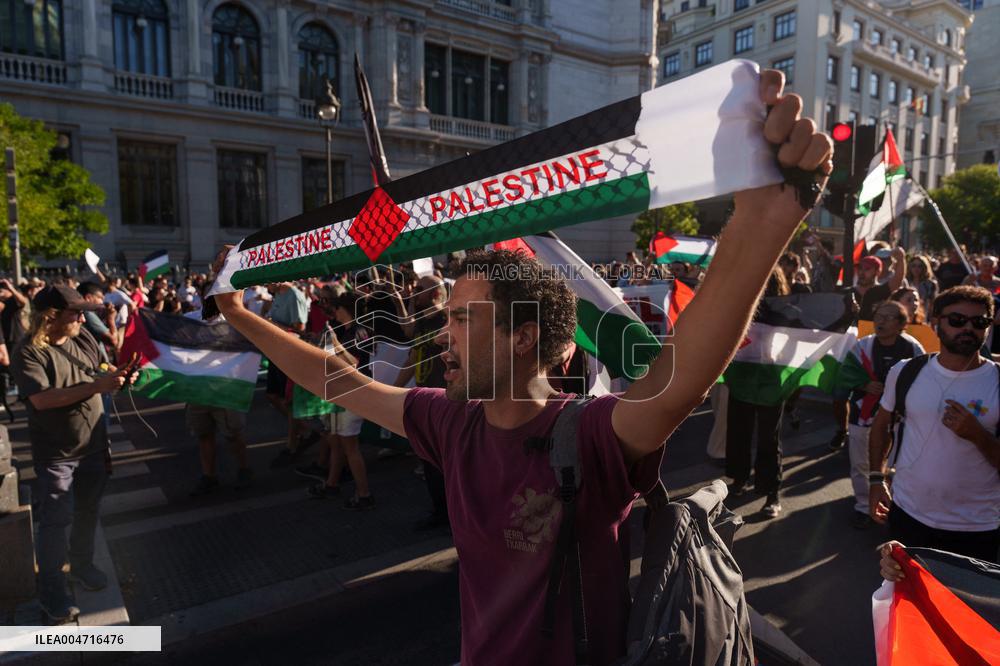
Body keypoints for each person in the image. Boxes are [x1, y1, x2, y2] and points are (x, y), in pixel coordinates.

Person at [212, 70, 833, 664]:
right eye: (447, 315)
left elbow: (676, 381)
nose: (443, 334)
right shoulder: (448, 420)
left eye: (463, 319)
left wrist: (763, 218)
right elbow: (335, 379)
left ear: (522, 338)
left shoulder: (589, 435)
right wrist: (237, 314)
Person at [10, 286, 138, 622]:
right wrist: (98, 387)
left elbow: (100, 370)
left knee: (87, 511)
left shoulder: (83, 339)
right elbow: (42, 399)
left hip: (93, 445)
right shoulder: (28, 352)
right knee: (55, 521)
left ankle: (81, 565)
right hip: (57, 453)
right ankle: (52, 590)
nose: (83, 317)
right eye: (75, 313)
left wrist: (120, 377)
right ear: (50, 317)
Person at [868, 286, 999, 563]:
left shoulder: (996, 381)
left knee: (962, 607)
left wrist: (978, 435)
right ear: (935, 322)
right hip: (908, 515)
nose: (968, 329)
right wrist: (876, 480)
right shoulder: (906, 371)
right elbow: (881, 426)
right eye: (957, 320)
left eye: (979, 322)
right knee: (907, 602)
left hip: (977, 527)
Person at [840, 301, 924, 530]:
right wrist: (864, 384)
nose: (881, 321)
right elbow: (845, 373)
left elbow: (923, 379)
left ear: (901, 324)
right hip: (863, 414)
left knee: (895, 463)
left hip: (898, 418)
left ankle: (893, 506)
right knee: (860, 462)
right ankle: (863, 507)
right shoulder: (862, 347)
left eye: (888, 317)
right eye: (878, 315)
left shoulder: (913, 349)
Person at [725, 267, 790, 518]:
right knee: (738, 432)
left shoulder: (783, 312)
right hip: (742, 377)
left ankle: (771, 492)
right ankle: (739, 480)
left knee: (768, 438)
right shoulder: (739, 307)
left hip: (771, 381)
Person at [306, 291, 375, 509]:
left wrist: (335, 343)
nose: (334, 312)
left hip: (353, 394)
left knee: (349, 446)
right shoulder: (349, 328)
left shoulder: (358, 330)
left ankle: (364, 494)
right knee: (336, 441)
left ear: (344, 309)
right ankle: (332, 483)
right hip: (342, 394)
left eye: (336, 309)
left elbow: (353, 362)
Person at [394, 275, 451, 530]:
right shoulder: (420, 324)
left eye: (420, 289)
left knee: (449, 462)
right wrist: (393, 389)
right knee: (428, 460)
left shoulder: (448, 320)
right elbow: (412, 358)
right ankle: (440, 513)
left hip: (449, 400)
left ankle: (455, 517)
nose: (415, 293)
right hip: (425, 397)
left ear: (436, 293)